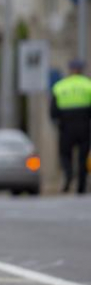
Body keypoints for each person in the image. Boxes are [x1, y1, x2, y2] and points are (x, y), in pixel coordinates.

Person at [50, 59, 91, 194]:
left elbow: (53, 112)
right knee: (83, 158)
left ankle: (68, 174)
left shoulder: (60, 86)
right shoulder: (88, 85)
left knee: (65, 155)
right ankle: (81, 187)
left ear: (70, 70)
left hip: (66, 127)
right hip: (84, 126)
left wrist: (57, 122)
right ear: (81, 70)